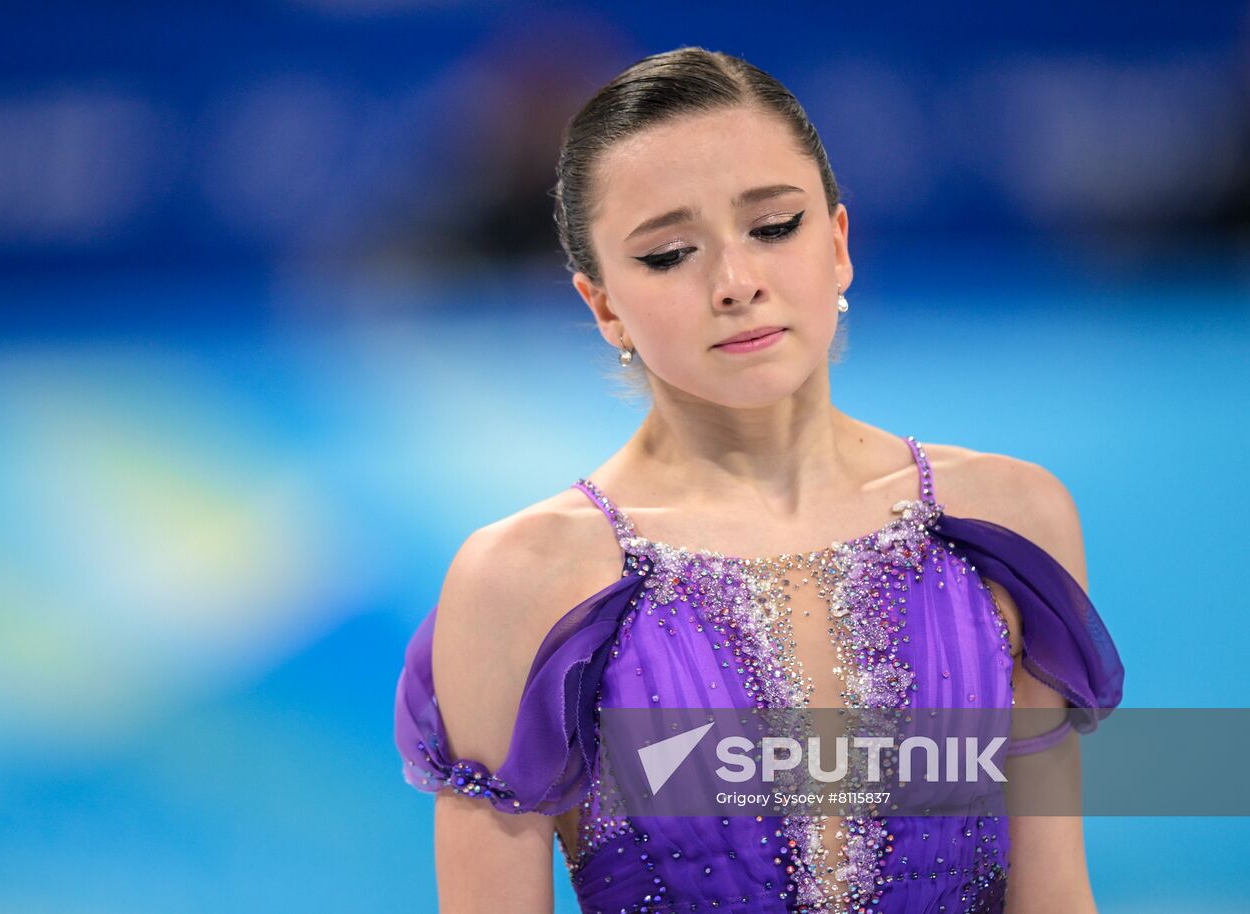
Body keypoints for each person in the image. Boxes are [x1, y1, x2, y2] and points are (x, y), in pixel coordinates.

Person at [394, 46, 1124, 914]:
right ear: (603, 306)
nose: (736, 283)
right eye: (669, 254)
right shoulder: (524, 581)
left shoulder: (1009, 525)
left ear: (840, 244)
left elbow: (1056, 897)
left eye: (774, 227)